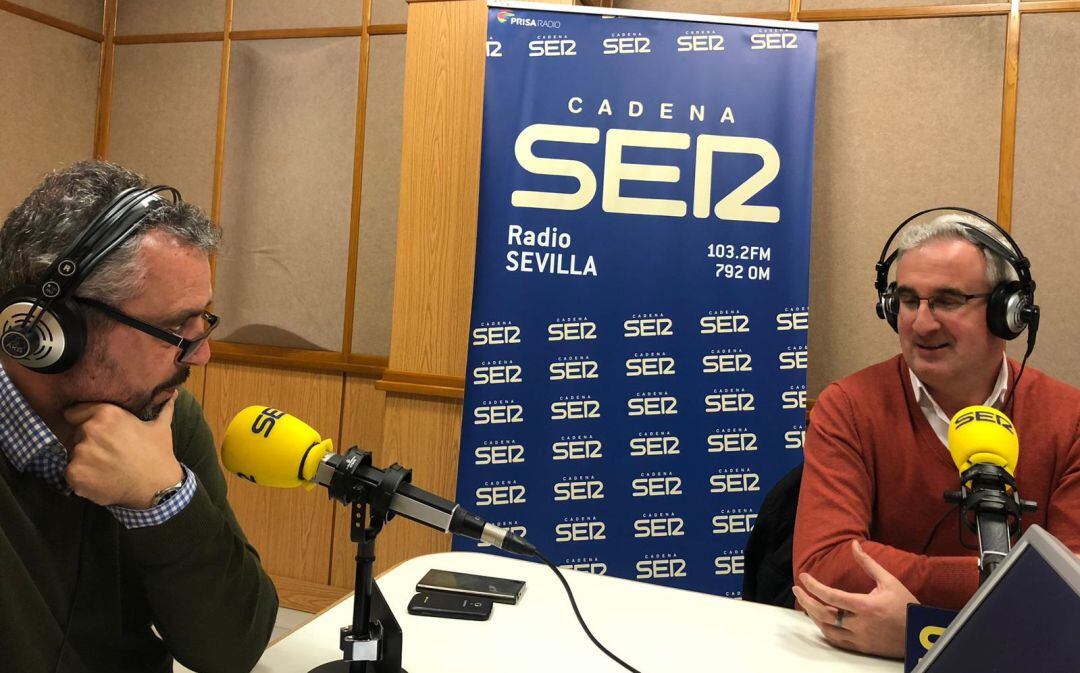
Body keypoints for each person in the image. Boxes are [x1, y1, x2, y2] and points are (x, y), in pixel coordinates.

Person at [0, 161, 278, 672]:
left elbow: (231, 648)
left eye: (203, 320)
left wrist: (163, 503)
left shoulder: (165, 419)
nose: (201, 355)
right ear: (51, 331)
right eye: (176, 326)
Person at [791, 208, 1080, 658]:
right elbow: (825, 565)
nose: (921, 324)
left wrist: (918, 630)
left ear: (1008, 312)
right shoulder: (848, 406)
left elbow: (1070, 594)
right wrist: (1004, 582)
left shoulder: (1070, 419)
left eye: (946, 301)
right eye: (908, 301)